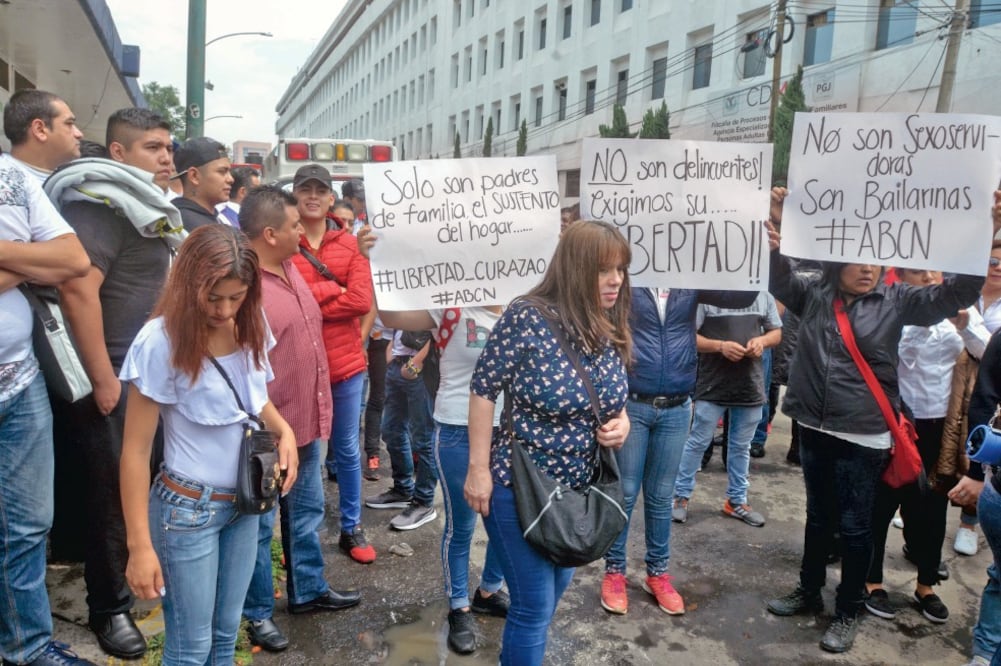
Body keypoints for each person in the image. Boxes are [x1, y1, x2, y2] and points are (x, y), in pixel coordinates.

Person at [764, 187, 988, 654]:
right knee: (818, 517)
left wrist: (981, 230)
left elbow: (958, 292)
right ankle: (808, 590)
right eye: (855, 258)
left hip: (865, 434)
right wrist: (775, 236)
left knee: (856, 524)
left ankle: (847, 609)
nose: (868, 267)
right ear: (833, 261)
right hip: (812, 426)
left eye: (874, 259)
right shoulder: (814, 293)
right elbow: (778, 279)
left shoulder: (898, 299)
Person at [119, 224, 299, 665]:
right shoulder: (160, 341)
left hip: (245, 503)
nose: (224, 309)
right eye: (213, 297)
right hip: (187, 512)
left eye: (236, 297)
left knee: (225, 635)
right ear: (188, 285)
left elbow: (254, 397)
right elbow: (135, 452)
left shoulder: (250, 322)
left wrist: (284, 430)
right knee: (189, 647)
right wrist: (139, 547)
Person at [45, 108, 182, 660]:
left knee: (139, 489)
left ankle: (137, 583)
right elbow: (78, 291)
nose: (167, 157)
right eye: (153, 147)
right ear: (118, 154)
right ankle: (109, 608)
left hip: (149, 377)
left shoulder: (143, 205)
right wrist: (103, 377)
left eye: (169, 146)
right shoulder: (99, 204)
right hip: (116, 378)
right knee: (110, 499)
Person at [465, 220, 632, 665]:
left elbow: (612, 397)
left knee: (551, 595)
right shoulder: (527, 316)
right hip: (517, 486)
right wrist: (478, 470)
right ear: (576, 269)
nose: (615, 279)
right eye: (603, 270)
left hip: (575, 494)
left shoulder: (606, 319)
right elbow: (483, 390)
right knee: (534, 607)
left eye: (620, 269)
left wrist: (623, 423)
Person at [358, 227, 509, 654]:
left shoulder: (524, 307)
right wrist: (374, 263)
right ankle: (459, 607)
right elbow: (390, 318)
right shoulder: (452, 306)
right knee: (462, 525)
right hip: (458, 430)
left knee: (506, 522)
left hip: (511, 432)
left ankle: (488, 592)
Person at [239, 186, 361, 651]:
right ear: (270, 234)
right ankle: (256, 614)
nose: (303, 232)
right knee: (257, 527)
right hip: (266, 433)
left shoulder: (292, 268)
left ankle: (308, 591)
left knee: (307, 513)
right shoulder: (243, 287)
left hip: (307, 423)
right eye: (294, 226)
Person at [600, 282, 755, 616]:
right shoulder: (625, 281)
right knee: (625, 493)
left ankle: (657, 573)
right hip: (632, 405)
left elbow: (739, 294)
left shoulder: (689, 276)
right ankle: (614, 572)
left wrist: (765, 256)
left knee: (661, 496)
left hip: (677, 405)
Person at [0, 145, 92, 666]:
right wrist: (23, 253)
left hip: (20, 383)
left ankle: (27, 647)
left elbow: (71, 260)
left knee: (29, 525)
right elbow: (47, 260)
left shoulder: (11, 175)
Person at [864, 267, 989, 625]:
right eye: (920, 273)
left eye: (935, 271)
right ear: (902, 278)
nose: (931, 279)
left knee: (932, 504)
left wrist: (964, 324)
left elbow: (987, 354)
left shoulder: (961, 310)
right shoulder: (892, 307)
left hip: (941, 426)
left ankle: (926, 584)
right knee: (882, 501)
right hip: (894, 422)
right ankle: (871, 581)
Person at [290, 164, 376, 561]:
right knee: (303, 450)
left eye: (319, 190)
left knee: (346, 448)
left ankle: (351, 527)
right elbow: (282, 297)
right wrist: (331, 287)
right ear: (295, 194)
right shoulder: (283, 241)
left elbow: (360, 300)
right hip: (298, 365)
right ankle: (299, 537)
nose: (312, 195)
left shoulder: (350, 244)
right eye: (304, 188)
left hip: (344, 366)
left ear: (330, 198)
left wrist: (310, 298)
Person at [671, 292, 781, 528]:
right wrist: (720, 346)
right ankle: (680, 496)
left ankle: (737, 500)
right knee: (698, 441)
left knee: (741, 446)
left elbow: (776, 332)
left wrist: (761, 341)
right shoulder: (708, 295)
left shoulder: (763, 295)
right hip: (713, 383)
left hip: (749, 384)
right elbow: (687, 335)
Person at [954, 240, 1001, 558]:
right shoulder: (960, 293)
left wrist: (968, 327)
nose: (998, 268)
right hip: (948, 384)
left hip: (987, 391)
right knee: (941, 445)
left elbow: (992, 354)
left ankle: (968, 522)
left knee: (977, 449)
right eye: (994, 260)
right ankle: (921, 503)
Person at [3, 89, 82, 183]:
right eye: (69, 123)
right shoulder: (6, 185)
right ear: (39, 130)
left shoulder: (67, 183)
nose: (79, 134)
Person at [172, 137, 233, 231]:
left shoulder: (212, 218)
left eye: (229, 172)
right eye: (222, 172)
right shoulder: (189, 226)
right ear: (194, 176)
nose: (231, 179)